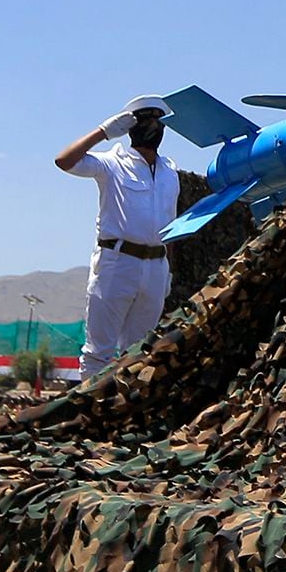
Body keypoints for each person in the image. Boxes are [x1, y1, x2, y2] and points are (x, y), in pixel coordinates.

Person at [55, 95, 179, 380]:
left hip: (156, 268)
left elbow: (170, 222)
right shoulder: (111, 163)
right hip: (118, 263)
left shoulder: (170, 171)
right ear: (130, 127)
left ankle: (126, 415)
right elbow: (65, 160)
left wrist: (168, 269)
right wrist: (103, 131)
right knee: (99, 352)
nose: (153, 127)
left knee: (139, 353)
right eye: (146, 121)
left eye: (158, 121)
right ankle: (90, 417)